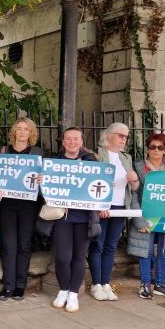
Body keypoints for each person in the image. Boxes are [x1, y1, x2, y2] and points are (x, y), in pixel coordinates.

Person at [47, 128, 101, 313]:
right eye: (68, 139)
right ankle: (63, 289)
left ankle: (73, 293)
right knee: (62, 257)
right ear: (63, 142)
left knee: (78, 257)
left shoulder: (91, 161)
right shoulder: (54, 162)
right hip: (63, 216)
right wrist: (43, 181)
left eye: (75, 139)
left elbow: (99, 186)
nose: (72, 142)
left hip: (84, 217)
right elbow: (45, 192)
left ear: (81, 141)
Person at [88, 123, 140, 301]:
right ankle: (96, 284)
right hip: (103, 206)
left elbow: (134, 187)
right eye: (121, 135)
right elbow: (91, 182)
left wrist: (134, 180)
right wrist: (100, 205)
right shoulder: (97, 155)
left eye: (126, 136)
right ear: (109, 135)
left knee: (111, 247)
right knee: (98, 245)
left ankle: (106, 283)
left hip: (120, 207)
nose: (124, 139)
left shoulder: (126, 158)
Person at [127, 133, 165, 300]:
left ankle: (160, 284)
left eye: (160, 147)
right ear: (147, 149)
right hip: (146, 215)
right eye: (152, 147)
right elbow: (133, 195)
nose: (156, 150)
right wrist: (138, 219)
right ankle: (145, 284)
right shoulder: (138, 167)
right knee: (146, 250)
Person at [0, 118, 42, 302]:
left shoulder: (37, 153)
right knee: (9, 245)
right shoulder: (4, 151)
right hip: (7, 204)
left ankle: (20, 286)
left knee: (24, 244)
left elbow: (44, 178)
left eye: (26, 129)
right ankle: (8, 286)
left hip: (28, 205)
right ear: (14, 131)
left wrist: (42, 178)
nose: (22, 132)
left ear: (31, 133)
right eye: (19, 128)